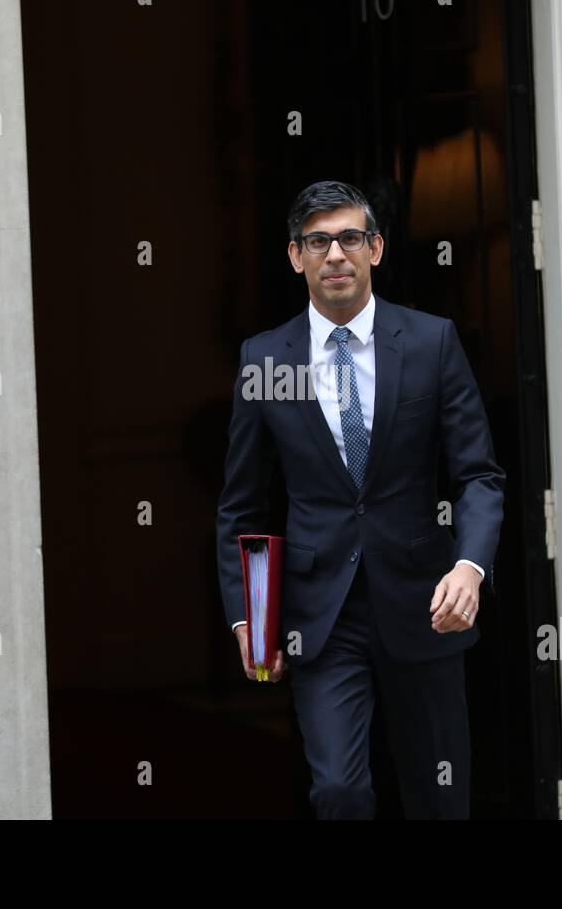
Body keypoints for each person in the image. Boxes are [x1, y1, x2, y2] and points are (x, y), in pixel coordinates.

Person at [215, 180, 505, 818]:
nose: (335, 254)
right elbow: (243, 507)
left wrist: (471, 566)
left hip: (425, 603)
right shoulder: (264, 360)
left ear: (376, 248)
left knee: (440, 796)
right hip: (322, 616)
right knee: (339, 792)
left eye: (349, 237)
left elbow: (479, 475)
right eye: (318, 241)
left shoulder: (431, 342)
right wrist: (250, 620)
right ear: (296, 257)